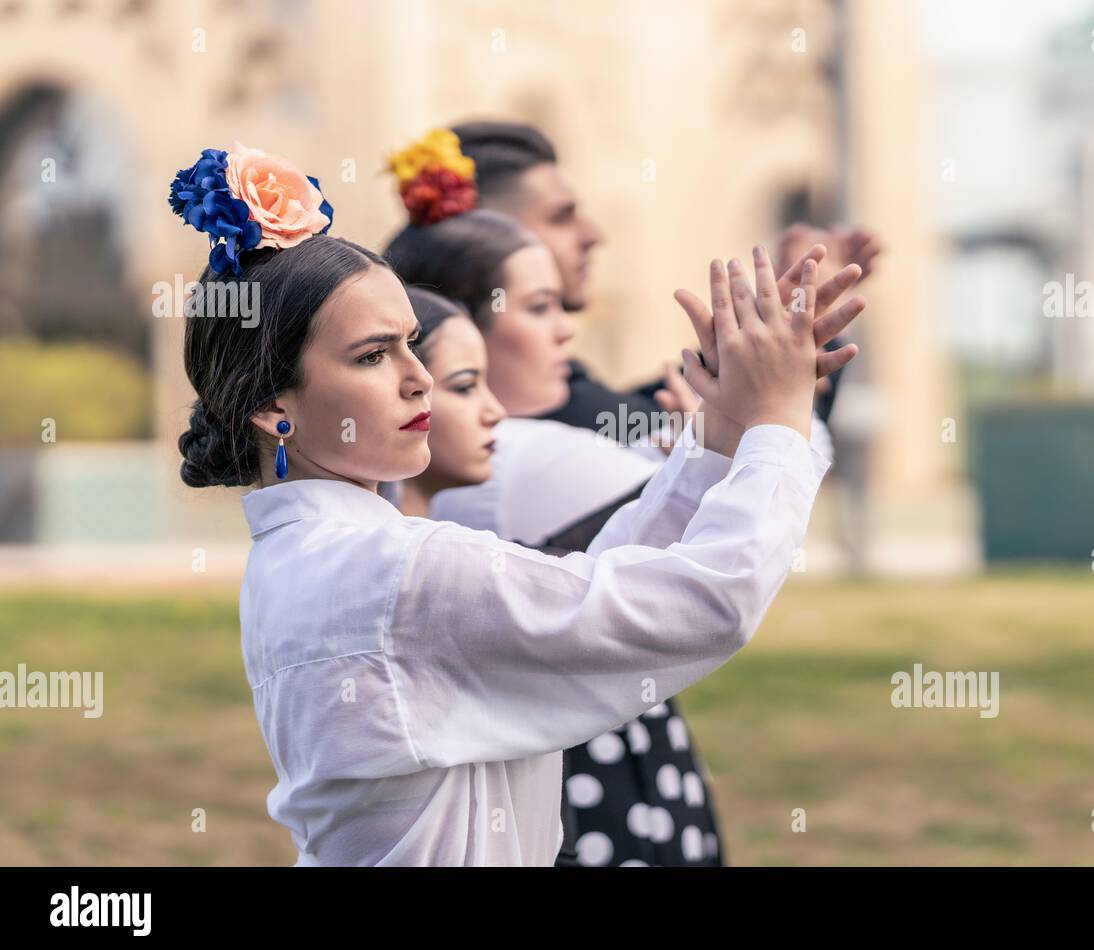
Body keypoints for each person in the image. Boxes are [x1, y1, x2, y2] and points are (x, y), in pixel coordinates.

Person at [170, 141, 860, 866]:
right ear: (274, 411)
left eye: (412, 345)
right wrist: (784, 421)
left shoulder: (323, 558)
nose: (418, 380)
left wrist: (724, 426)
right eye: (373, 356)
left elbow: (597, 578)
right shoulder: (388, 568)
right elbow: (704, 601)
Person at [451, 119, 878, 431]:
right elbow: (649, 428)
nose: (593, 234)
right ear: (483, 232)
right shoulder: (530, 414)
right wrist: (791, 328)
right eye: (562, 217)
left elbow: (635, 412)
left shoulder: (547, 393)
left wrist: (791, 321)